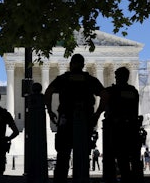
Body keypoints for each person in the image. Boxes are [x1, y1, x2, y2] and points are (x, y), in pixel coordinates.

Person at [44, 53, 107, 183]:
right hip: (86, 119)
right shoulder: (90, 80)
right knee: (83, 154)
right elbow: (105, 95)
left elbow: (48, 91)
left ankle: (60, 180)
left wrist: (49, 110)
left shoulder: (63, 78)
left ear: (71, 64)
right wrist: (97, 114)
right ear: (83, 65)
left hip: (66, 119)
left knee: (63, 154)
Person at [102, 66, 143, 183]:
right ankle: (133, 178)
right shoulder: (133, 91)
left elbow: (104, 101)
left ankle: (121, 178)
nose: (115, 78)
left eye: (117, 76)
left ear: (120, 77)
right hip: (132, 128)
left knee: (118, 157)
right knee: (133, 157)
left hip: (117, 129)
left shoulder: (112, 91)